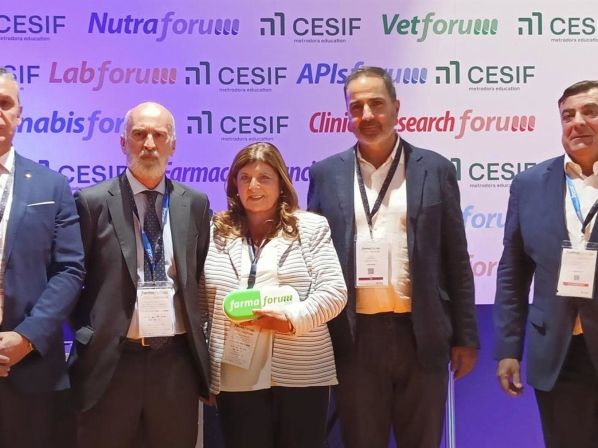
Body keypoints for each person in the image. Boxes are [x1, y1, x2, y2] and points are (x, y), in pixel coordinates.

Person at [307, 66, 479, 448]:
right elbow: (314, 261)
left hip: (421, 335)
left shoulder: (435, 169)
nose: (367, 115)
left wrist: (466, 335)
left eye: (376, 104)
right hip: (354, 339)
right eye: (357, 107)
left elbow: (456, 258)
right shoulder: (325, 175)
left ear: (396, 108)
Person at [69, 101, 211, 447]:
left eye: (159, 135)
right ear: (123, 142)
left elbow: (196, 275)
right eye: (139, 134)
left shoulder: (194, 203)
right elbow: (71, 279)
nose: (149, 144)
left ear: (172, 145)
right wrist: (90, 332)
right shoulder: (92, 202)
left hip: (175, 364)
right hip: (112, 363)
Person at [200, 142, 347, 448]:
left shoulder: (310, 228)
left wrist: (291, 321)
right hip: (235, 373)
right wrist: (206, 370)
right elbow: (202, 304)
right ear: (234, 185)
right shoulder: (216, 232)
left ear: (281, 183)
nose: (253, 186)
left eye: (264, 177)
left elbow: (334, 291)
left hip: (301, 371)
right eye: (245, 178)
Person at [494, 80, 598, 448]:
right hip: (558, 350)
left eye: (590, 112)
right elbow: (512, 273)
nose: (577, 122)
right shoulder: (529, 184)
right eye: (568, 115)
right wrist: (509, 349)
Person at [0, 67, 85, 447]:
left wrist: (26, 337)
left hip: (30, 368)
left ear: (19, 114)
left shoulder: (52, 186)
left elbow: (69, 270)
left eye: (5, 104)